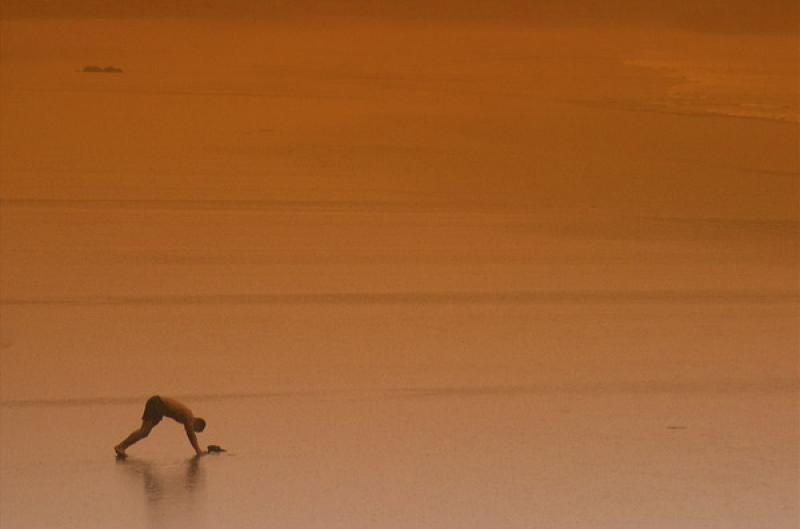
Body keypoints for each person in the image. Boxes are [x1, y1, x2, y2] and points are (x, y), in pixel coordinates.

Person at [115, 395, 207, 457]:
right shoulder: (188, 416)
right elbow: (191, 435)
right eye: (197, 430)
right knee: (144, 431)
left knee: (144, 431)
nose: (194, 430)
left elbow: (191, 433)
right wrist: (198, 451)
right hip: (158, 404)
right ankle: (121, 447)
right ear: (198, 423)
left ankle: (121, 447)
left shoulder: (187, 414)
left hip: (156, 402)